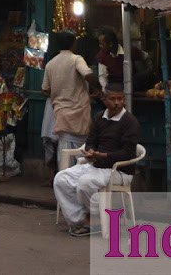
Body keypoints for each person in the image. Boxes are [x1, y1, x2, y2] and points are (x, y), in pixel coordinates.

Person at [55, 83, 140, 237]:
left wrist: (104, 156)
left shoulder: (130, 121)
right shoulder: (99, 117)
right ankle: (80, 220)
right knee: (61, 179)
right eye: (112, 99)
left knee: (85, 183)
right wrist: (91, 150)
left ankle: (96, 220)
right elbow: (91, 141)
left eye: (120, 99)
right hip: (97, 165)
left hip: (119, 170)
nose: (117, 103)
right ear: (104, 99)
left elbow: (128, 153)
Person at [41, 30, 95, 168]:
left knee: (64, 154)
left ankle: (65, 183)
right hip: (79, 115)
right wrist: (100, 88)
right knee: (81, 155)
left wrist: (58, 94)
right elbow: (87, 74)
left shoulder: (50, 64)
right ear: (74, 43)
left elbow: (45, 89)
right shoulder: (76, 59)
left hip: (62, 115)